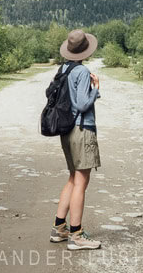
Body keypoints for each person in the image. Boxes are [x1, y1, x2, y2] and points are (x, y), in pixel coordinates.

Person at [49, 29, 102, 250]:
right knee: (81, 182)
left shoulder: (63, 69)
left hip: (67, 130)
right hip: (82, 129)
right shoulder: (81, 71)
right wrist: (96, 90)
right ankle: (76, 235)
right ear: (85, 51)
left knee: (72, 178)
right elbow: (82, 104)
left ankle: (59, 229)